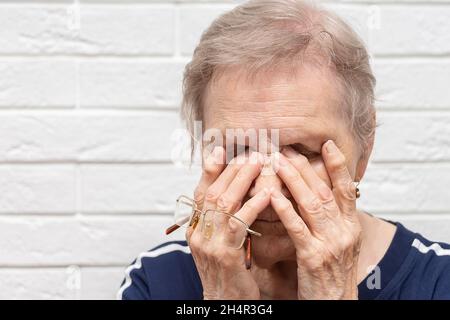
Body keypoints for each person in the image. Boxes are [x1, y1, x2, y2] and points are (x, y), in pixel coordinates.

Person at [118, 0, 450, 300]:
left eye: (303, 153)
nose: (266, 191)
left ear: (364, 148)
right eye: (238, 151)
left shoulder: (439, 282)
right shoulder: (157, 281)